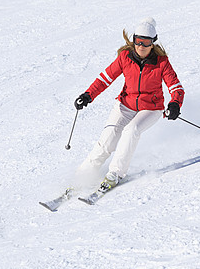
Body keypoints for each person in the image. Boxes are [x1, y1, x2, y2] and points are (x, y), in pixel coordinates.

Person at [74, 17, 184, 192]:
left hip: (151, 108)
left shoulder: (161, 62)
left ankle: (115, 174)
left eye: (146, 42)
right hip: (126, 104)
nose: (141, 46)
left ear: (153, 43)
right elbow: (105, 78)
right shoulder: (125, 57)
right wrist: (88, 95)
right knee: (108, 139)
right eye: (138, 41)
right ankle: (83, 176)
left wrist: (175, 104)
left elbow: (175, 87)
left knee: (131, 130)